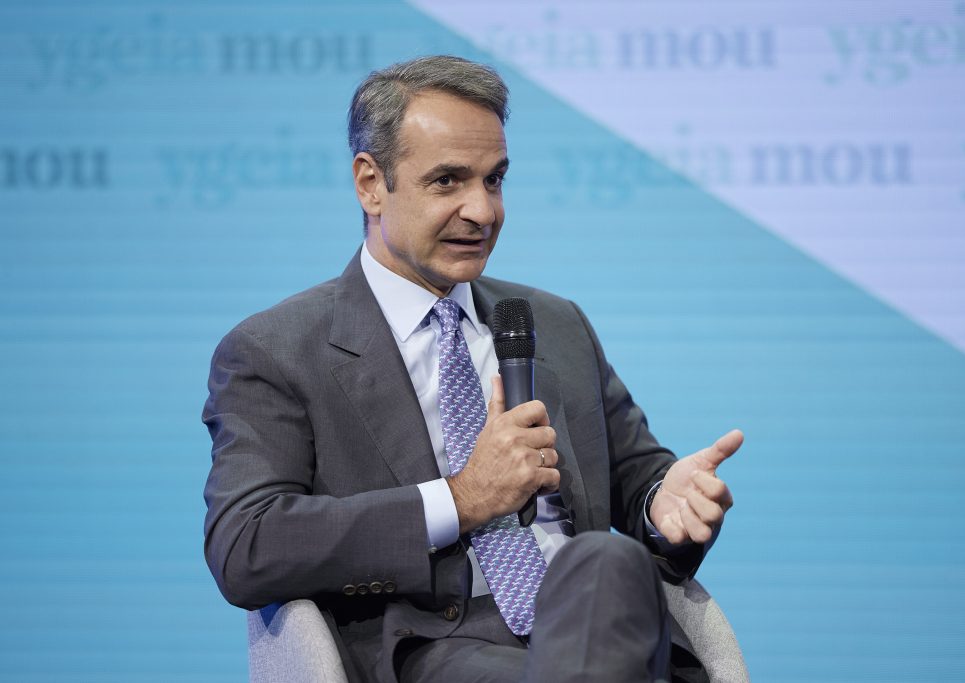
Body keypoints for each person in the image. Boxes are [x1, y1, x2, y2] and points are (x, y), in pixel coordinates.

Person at [203, 55, 742, 683]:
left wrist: (664, 505)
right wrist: (462, 499)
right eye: (447, 181)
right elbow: (247, 545)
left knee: (606, 559)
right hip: (440, 646)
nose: (483, 211)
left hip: (600, 628)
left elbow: (639, 479)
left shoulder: (556, 323)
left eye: (495, 180)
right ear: (371, 183)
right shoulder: (277, 350)